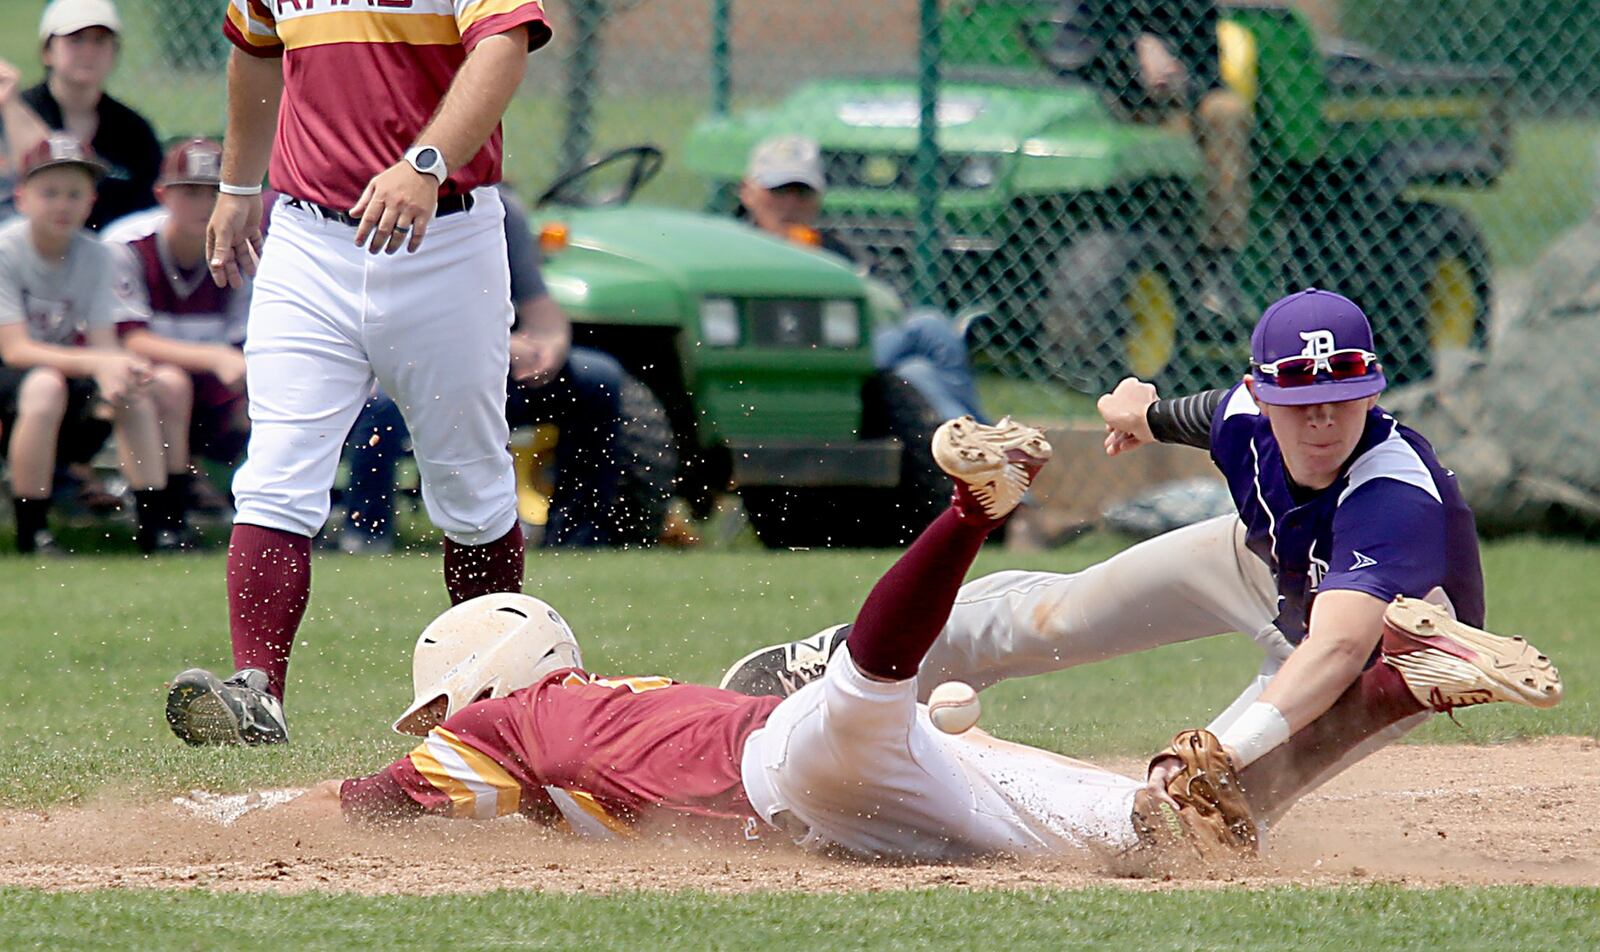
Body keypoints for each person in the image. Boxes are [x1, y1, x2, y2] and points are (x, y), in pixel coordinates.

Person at [721, 288, 1562, 834]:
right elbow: (1191, 412)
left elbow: (1338, 646)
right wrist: (1136, 412)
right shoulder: (1243, 411)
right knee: (1054, 613)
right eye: (1298, 401)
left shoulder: (1394, 495)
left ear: (1374, 394)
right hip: (1265, 564)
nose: (1320, 422)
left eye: (1341, 400)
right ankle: (835, 661)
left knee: (1204, 820)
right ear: (1262, 394)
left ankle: (1219, 791)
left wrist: (1227, 749)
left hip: (1383, 651)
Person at [211, 418, 1188, 859]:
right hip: (843, 781)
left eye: (442, 707)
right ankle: (1157, 808)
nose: (438, 729)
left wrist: (225, 811)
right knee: (1096, 830)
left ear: (482, 681)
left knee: (866, 685)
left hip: (793, 776)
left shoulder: (509, 722)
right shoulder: (623, 697)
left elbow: (366, 803)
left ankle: (965, 516)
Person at [162, 0, 554, 745]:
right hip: (308, 238)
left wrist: (425, 161)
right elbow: (255, 46)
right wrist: (241, 188)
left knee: (469, 484)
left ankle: (490, 708)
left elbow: (504, 47)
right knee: (277, 467)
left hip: (444, 236)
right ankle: (258, 692)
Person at [338, 186, 632, 553]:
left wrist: (549, 347)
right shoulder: (386, 205)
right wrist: (492, 343)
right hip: (407, 365)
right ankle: (366, 535)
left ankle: (579, 537)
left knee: (598, 380)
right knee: (381, 405)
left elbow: (540, 306)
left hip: (492, 367)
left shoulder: (501, 209)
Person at [0, 135, 181, 554]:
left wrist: (119, 370)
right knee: (45, 384)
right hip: (13, 384)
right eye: (50, 193)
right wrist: (100, 362)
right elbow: (15, 351)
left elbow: (102, 343)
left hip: (59, 380)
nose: (63, 204)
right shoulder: (7, 250)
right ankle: (33, 532)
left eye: (74, 194)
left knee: (131, 387)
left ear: (91, 201)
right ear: (22, 198)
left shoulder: (97, 255)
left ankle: (156, 529)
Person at [740, 135, 988, 424]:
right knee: (928, 327)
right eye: (779, 190)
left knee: (917, 372)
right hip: (795, 361)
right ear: (748, 191)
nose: (791, 203)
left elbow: (886, 306)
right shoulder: (738, 249)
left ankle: (981, 452)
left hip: (851, 353)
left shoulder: (835, 250)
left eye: (802, 192)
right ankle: (991, 446)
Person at [1050, 0, 1252, 309]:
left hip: (1174, 109)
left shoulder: (1193, 6)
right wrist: (1134, 53)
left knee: (1227, 111)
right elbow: (1068, 61)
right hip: (1104, 104)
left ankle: (1217, 263)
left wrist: (1180, 80)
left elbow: (1209, 73)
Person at [111, 138, 252, 541]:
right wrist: (212, 357)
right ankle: (166, 519)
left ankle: (263, 513)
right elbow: (129, 340)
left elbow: (242, 345)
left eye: (215, 193)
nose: (205, 205)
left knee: (261, 402)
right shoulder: (128, 244)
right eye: (190, 192)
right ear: (162, 194)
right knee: (168, 385)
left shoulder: (244, 248)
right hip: (141, 378)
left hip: (210, 382)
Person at [0, 0, 162, 231]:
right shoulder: (15, 108)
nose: (88, 51)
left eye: (99, 41)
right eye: (75, 40)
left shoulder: (133, 131)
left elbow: (148, 213)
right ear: (47, 51)